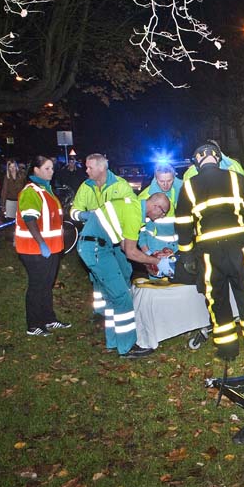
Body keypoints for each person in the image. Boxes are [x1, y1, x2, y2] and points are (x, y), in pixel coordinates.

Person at [175, 142, 244, 361]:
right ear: (217, 158)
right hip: (238, 247)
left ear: (197, 162)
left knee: (217, 300)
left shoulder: (189, 186)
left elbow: (183, 224)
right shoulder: (237, 178)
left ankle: (227, 351)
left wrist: (187, 255)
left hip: (208, 253)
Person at [76, 193, 172, 357]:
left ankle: (114, 342)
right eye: (163, 212)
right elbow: (130, 252)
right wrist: (157, 262)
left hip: (96, 247)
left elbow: (124, 244)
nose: (162, 216)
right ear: (155, 206)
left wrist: (149, 261)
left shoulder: (131, 207)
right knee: (122, 297)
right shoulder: (134, 213)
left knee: (113, 297)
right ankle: (127, 346)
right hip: (97, 249)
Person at [70, 153, 136, 317]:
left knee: (123, 272)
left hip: (117, 240)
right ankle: (101, 311)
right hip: (97, 241)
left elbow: (133, 210)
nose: (86, 171)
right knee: (99, 276)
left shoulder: (120, 186)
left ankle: (125, 305)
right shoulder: (86, 186)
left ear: (101, 168)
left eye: (89, 167)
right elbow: (73, 211)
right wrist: (86, 216)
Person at [15, 156, 70, 336]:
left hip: (51, 248)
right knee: (37, 286)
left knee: (47, 284)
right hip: (35, 249)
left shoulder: (45, 190)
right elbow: (29, 219)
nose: (51, 171)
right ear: (36, 171)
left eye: (52, 168)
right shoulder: (32, 191)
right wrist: (41, 244)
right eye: (47, 168)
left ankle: (48, 319)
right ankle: (33, 325)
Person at [138, 163, 183, 276]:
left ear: (174, 177)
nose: (166, 185)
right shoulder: (145, 198)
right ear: (155, 178)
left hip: (178, 246)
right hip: (155, 247)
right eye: (162, 181)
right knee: (157, 285)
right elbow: (139, 231)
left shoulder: (182, 192)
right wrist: (149, 254)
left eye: (169, 180)